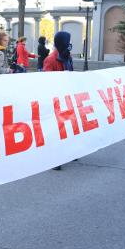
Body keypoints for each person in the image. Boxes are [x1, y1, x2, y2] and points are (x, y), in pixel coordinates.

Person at [44, 31, 74, 170]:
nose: (69, 45)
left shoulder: (67, 56)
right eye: (67, 42)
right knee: (57, 130)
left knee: (69, 127)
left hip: (67, 97)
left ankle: (71, 152)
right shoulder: (50, 60)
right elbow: (48, 82)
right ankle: (55, 159)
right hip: (56, 100)